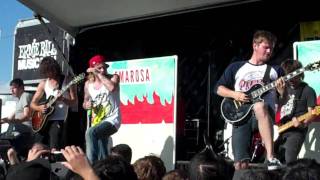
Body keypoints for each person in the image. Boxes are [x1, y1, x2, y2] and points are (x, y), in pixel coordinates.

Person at [215, 30, 282, 170]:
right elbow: (218, 89)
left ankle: (271, 157)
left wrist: (282, 91)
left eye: (271, 48)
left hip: (264, 117)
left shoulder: (276, 70)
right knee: (240, 165)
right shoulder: (236, 67)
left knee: (259, 106)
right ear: (255, 46)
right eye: (266, 47)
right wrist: (235, 95)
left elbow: (285, 99)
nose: (269, 51)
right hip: (241, 116)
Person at [274, 59, 317, 164]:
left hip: (296, 131)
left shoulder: (308, 90)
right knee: (271, 161)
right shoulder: (283, 89)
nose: (291, 79)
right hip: (279, 129)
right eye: (288, 76)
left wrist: (302, 124)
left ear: (300, 74)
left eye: (294, 76)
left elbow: (312, 113)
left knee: (290, 161)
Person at [30, 56, 78, 149]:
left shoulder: (68, 80)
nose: (50, 74)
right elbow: (32, 104)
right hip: (42, 121)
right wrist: (40, 108)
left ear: (55, 68)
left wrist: (63, 99)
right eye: (46, 71)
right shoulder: (43, 83)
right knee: (37, 147)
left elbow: (74, 102)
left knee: (54, 148)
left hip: (58, 119)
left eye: (51, 70)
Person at [82, 54, 121, 163]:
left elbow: (112, 88)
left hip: (112, 120)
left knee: (90, 133)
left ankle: (92, 166)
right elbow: (85, 102)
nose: (102, 70)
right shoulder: (88, 84)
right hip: (97, 121)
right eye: (99, 68)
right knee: (103, 153)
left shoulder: (113, 77)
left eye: (104, 67)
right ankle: (104, 169)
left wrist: (98, 74)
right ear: (92, 69)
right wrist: (87, 104)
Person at [0, 78, 34, 158]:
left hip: (24, 133)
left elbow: (27, 115)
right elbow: (10, 117)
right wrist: (4, 120)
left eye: (14, 88)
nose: (12, 91)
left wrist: (13, 121)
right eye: (11, 89)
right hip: (17, 133)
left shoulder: (25, 96)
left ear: (21, 87)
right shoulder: (19, 100)